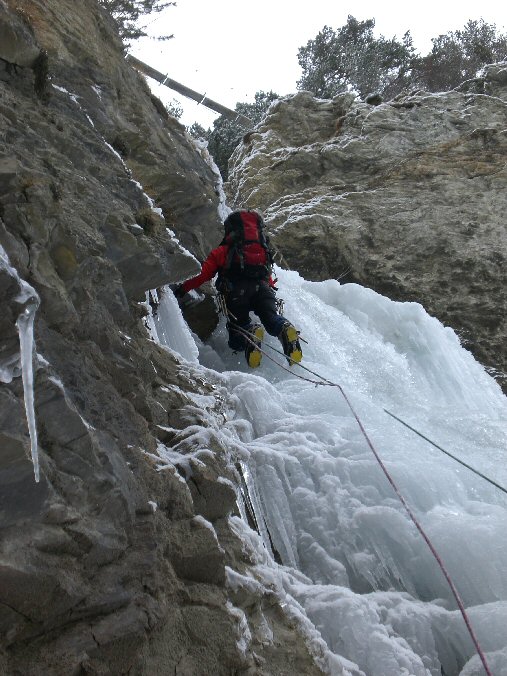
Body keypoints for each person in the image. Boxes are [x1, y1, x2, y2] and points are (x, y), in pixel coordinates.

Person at [173, 209, 302, 368]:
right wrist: (269, 286)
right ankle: (284, 328)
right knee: (271, 318)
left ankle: (250, 332)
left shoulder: (224, 251)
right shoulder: (262, 249)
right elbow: (266, 274)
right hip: (263, 290)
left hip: (236, 293)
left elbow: (203, 275)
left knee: (237, 328)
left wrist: (182, 289)